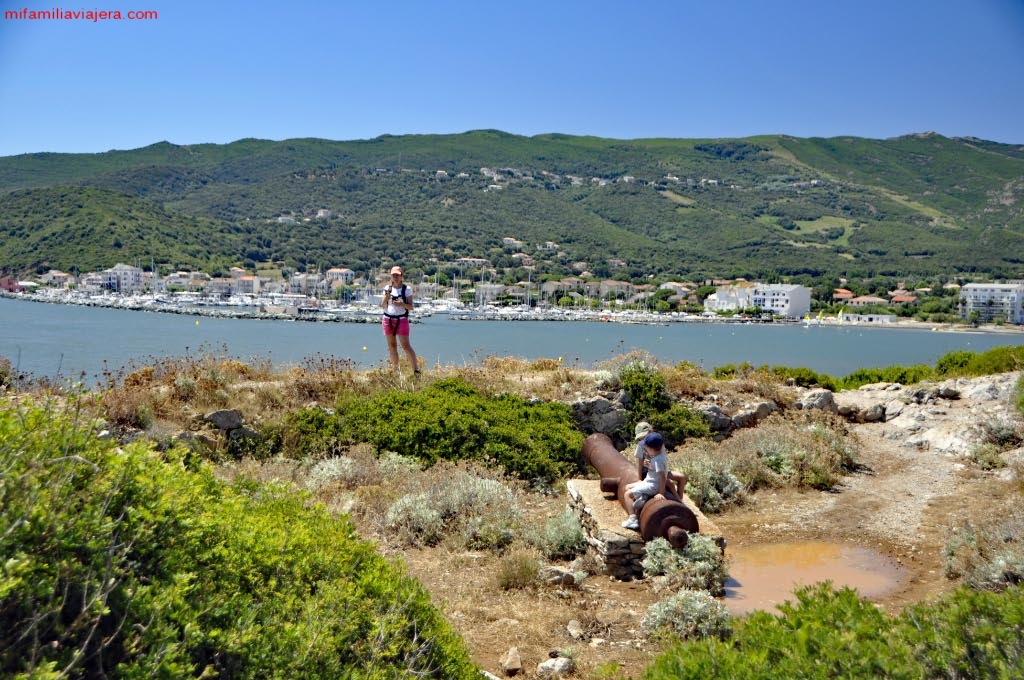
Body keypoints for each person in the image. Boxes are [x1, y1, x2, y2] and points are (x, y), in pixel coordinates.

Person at [622, 431, 668, 531]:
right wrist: (649, 465)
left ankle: (633, 519)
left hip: (652, 485)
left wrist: (661, 493)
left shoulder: (658, 460)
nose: (645, 450)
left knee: (627, 494)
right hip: (649, 481)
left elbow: (663, 477)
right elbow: (656, 470)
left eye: (646, 448)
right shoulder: (657, 456)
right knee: (627, 487)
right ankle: (643, 496)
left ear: (651, 448)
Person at [381, 265, 420, 374]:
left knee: (406, 346)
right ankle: (396, 370)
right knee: (392, 346)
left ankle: (416, 370)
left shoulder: (406, 289)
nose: (395, 277)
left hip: (401, 320)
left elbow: (411, 307)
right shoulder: (387, 288)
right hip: (388, 319)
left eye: (397, 275)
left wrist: (401, 304)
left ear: (401, 276)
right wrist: (386, 298)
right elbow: (383, 305)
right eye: (394, 275)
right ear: (391, 276)